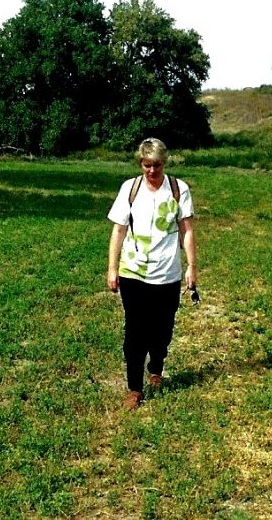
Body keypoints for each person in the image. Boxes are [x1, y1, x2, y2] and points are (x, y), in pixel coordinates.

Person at [107, 138, 197, 410]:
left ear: (164, 163)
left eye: (156, 165)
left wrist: (192, 265)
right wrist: (112, 268)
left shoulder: (178, 189)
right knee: (134, 332)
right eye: (147, 165)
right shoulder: (130, 189)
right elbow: (118, 230)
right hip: (133, 272)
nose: (152, 171)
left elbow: (187, 230)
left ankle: (156, 367)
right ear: (140, 164)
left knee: (162, 330)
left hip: (167, 273)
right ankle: (134, 388)